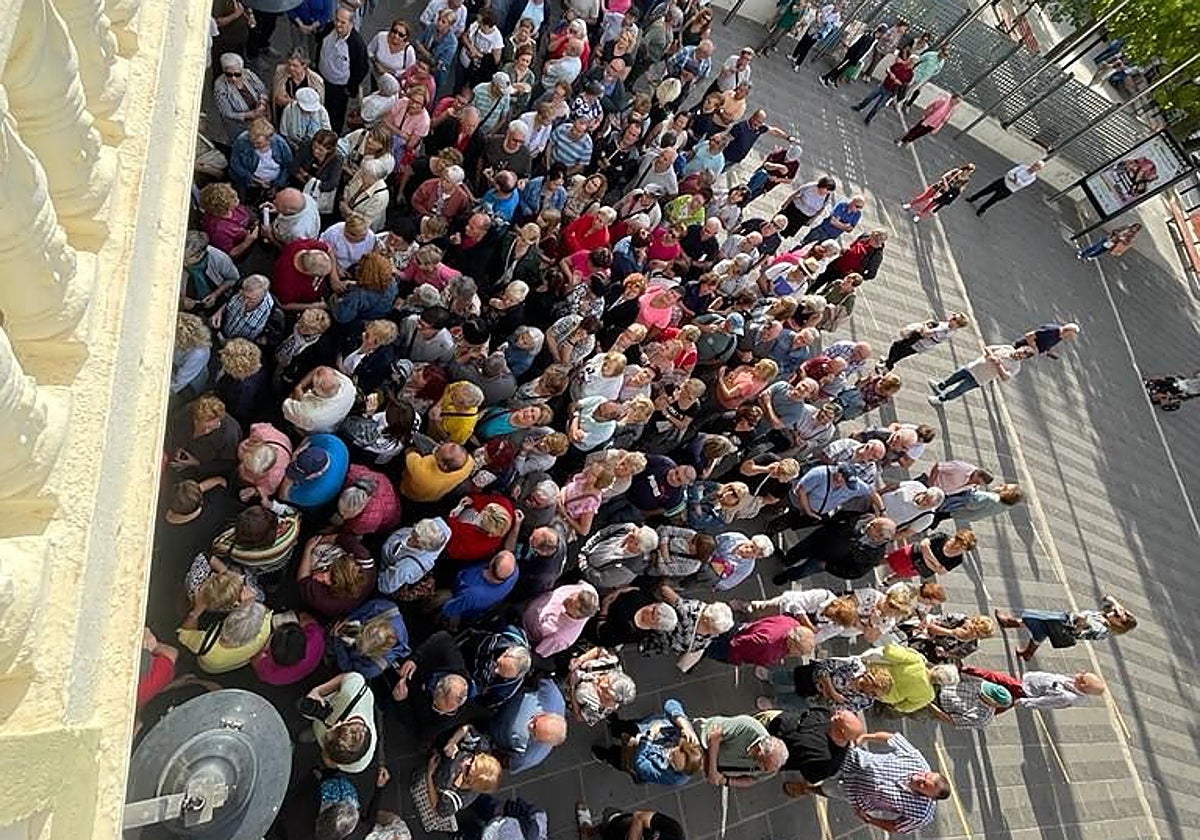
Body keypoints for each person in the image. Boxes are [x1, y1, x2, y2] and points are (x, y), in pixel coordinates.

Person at [806, 731, 948, 834]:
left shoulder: (921, 815)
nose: (918, 778)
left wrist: (870, 819)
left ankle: (806, 789)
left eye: (923, 785)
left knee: (828, 789)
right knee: (818, 761)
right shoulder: (917, 760)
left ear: (929, 798)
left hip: (855, 793)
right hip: (852, 760)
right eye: (926, 775)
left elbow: (896, 827)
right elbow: (893, 738)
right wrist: (866, 737)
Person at [993, 595, 1136, 659]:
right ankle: (1028, 652)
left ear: (1119, 625)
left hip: (1062, 626)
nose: (1113, 613)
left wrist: (1082, 623)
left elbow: (1080, 630)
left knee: (1033, 619)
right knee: (1039, 631)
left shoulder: (1102, 629)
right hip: (1062, 619)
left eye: (1117, 616)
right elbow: (1107, 598)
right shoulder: (1106, 614)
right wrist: (1117, 606)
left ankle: (1008, 623)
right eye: (1116, 612)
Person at [489, 678, 568, 774]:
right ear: (546, 713)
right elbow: (538, 676)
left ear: (541, 742)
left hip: (491, 732)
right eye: (535, 722)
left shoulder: (532, 756)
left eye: (534, 733)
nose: (529, 725)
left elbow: (507, 762)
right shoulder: (552, 696)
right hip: (505, 697)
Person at [692, 713, 788, 787]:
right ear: (760, 750)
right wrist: (712, 771)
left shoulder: (771, 768)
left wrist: (726, 781)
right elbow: (714, 736)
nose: (764, 770)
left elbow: (752, 780)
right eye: (764, 766)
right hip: (698, 742)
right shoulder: (747, 726)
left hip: (705, 765)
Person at [315, 7, 369, 133]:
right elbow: (319, 43)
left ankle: (332, 137)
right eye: (337, 20)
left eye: (343, 22)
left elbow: (362, 68)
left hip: (338, 88)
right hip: (321, 79)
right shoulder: (329, 28)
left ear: (351, 23)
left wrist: (350, 88)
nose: (338, 24)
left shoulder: (357, 44)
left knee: (335, 116)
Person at [959, 666, 1108, 711]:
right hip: (1028, 682)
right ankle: (974, 709)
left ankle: (964, 670)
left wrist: (1022, 702)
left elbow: (1044, 702)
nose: (1078, 674)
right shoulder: (1073, 684)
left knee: (993, 676)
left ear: (1083, 686)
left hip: (1025, 690)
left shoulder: (1067, 697)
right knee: (998, 700)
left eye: (1082, 677)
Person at [928, 344, 1036, 405]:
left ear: (1024, 359)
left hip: (979, 379)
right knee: (955, 376)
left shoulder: (1016, 367)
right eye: (1019, 352)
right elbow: (988, 348)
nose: (1018, 355)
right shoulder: (1008, 348)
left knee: (959, 390)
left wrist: (998, 365)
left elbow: (1005, 378)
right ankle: (940, 386)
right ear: (1020, 348)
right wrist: (991, 355)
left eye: (1021, 356)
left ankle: (942, 399)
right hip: (973, 367)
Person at [884, 312, 969, 370]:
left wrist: (926, 323)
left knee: (897, 347)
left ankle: (888, 366)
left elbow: (926, 333)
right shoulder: (950, 328)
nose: (951, 318)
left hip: (918, 343)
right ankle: (888, 363)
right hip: (920, 343)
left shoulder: (945, 330)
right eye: (953, 316)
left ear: (958, 325)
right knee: (900, 352)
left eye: (954, 319)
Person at [966, 160, 1045, 217]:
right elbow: (1010, 173)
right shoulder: (1023, 167)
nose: (1035, 167)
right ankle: (973, 198)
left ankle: (981, 210)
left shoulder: (1032, 178)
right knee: (986, 190)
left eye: (1037, 167)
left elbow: (1022, 185)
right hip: (1003, 181)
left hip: (1009, 189)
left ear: (1039, 169)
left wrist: (1015, 178)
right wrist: (1016, 180)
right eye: (1035, 164)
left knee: (993, 200)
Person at [1011, 322, 1080, 359]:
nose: (1070, 338)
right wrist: (1035, 349)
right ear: (1067, 331)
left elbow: (1046, 342)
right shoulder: (1051, 331)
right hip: (1019, 348)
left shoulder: (1060, 336)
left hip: (1025, 354)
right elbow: (1029, 336)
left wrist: (1048, 352)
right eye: (1070, 335)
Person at [1077, 223, 1141, 260]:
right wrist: (1118, 235)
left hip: (1113, 244)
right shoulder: (1126, 227)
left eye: (1136, 228)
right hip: (1110, 239)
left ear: (1137, 230)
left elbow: (1127, 243)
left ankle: (1091, 256)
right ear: (1133, 225)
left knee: (1100, 251)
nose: (1134, 229)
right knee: (1096, 246)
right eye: (1134, 227)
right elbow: (1115, 230)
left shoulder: (1132, 236)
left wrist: (1123, 240)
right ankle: (1083, 254)